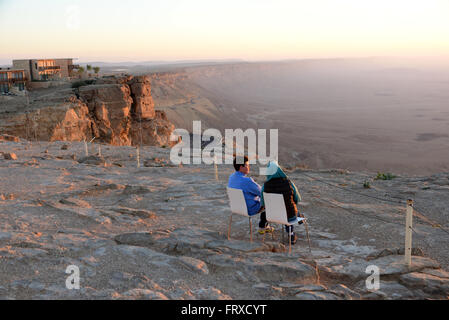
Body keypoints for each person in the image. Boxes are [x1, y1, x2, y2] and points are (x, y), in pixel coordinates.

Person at [228, 156, 274, 234]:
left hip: (236, 207)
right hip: (249, 209)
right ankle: (263, 226)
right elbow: (262, 192)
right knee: (270, 199)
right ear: (241, 167)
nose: (249, 167)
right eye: (247, 165)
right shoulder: (247, 181)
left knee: (263, 199)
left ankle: (264, 225)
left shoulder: (231, 177)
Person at [260, 160, 303, 244]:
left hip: (272, 216)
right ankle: (291, 234)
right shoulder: (289, 183)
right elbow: (297, 199)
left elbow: (263, 203)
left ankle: (297, 217)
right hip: (289, 216)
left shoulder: (265, 186)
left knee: (284, 211)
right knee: (290, 211)